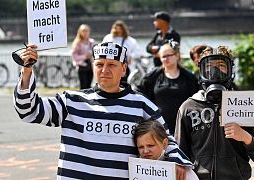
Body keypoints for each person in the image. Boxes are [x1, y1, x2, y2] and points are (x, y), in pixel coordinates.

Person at [13, 42, 192, 179]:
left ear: (123, 70)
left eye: (111, 65)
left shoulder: (141, 104)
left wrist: (176, 162)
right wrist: (27, 71)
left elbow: (166, 140)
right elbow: (28, 110)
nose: (104, 70)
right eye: (99, 65)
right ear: (93, 67)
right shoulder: (71, 101)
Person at [175, 46, 254, 180]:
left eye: (221, 65)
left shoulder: (247, 105)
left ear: (230, 70)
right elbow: (180, 154)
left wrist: (246, 137)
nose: (214, 71)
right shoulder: (188, 107)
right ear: (201, 70)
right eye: (209, 66)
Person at [136, 40, 199, 134]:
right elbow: (139, 94)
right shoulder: (152, 76)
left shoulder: (189, 77)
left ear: (177, 55)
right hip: (158, 127)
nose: (166, 59)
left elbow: (196, 101)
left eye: (168, 55)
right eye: (163, 56)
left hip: (184, 127)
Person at [133, 120, 199, 180]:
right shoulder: (135, 171)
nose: (146, 151)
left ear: (164, 143)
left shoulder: (180, 171)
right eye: (141, 147)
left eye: (151, 145)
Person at [71, 24, 95, 89]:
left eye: (87, 31)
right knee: (83, 85)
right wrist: (84, 56)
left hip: (90, 65)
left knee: (89, 85)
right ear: (80, 32)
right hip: (81, 66)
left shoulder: (91, 42)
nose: (85, 33)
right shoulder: (77, 42)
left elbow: (95, 53)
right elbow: (74, 55)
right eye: (83, 31)